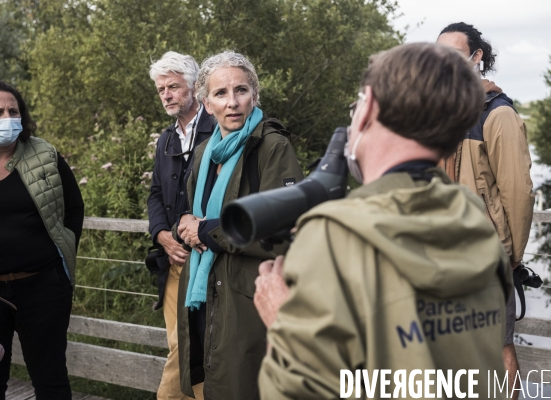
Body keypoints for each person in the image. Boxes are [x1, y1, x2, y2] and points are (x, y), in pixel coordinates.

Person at [254, 43, 513, 399]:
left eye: (355, 105)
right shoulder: (476, 222)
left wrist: (283, 323)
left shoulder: (333, 234)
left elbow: (294, 393)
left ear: (369, 106)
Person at [175, 51, 304, 400]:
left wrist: (207, 231)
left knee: (242, 387)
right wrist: (182, 227)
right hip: (204, 295)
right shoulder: (204, 152)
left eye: (241, 90)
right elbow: (192, 213)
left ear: (255, 96)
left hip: (248, 301)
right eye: (221, 94)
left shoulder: (272, 148)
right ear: (205, 103)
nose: (233, 102)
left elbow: (286, 230)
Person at [437, 22, 535, 399]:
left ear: (477, 58)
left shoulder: (498, 114)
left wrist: (511, 255)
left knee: (498, 345)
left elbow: (519, 193)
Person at [0, 81, 84, 400]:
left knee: (49, 379)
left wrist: (61, 262)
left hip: (42, 287)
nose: (7, 117)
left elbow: (74, 208)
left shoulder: (44, 154)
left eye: (13, 111)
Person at [148, 51, 214, 400]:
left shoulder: (218, 126)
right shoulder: (166, 139)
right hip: (173, 261)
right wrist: (161, 235)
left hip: (208, 259)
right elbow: (156, 194)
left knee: (199, 346)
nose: (167, 95)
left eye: (173, 87)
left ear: (194, 86)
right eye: (161, 90)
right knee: (180, 344)